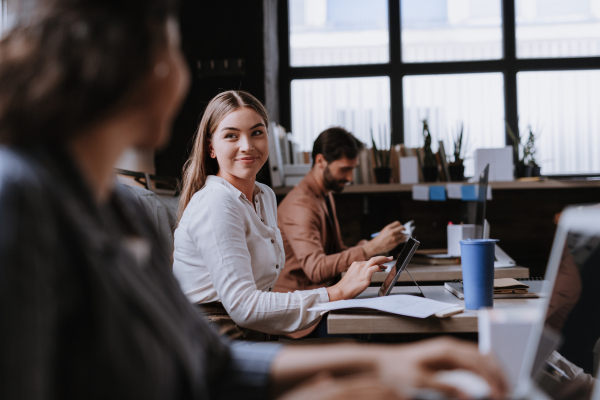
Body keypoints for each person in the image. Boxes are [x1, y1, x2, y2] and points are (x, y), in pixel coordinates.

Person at [0, 0, 508, 399]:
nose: (248, 147)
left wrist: (377, 363)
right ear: (143, 67)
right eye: (174, 48)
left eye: (257, 133)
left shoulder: (120, 209)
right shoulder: (20, 199)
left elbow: (208, 362)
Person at [172, 90, 390, 340]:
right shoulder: (216, 202)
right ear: (211, 148)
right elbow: (244, 307)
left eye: (257, 132)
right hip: (213, 339)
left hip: (258, 330)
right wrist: (336, 293)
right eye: (231, 135)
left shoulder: (264, 196)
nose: (247, 146)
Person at [274, 127, 408, 338]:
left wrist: (363, 250)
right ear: (320, 161)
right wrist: (369, 248)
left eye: (353, 169)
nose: (350, 177)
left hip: (323, 300)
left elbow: (333, 253)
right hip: (303, 315)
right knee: (382, 329)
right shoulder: (300, 204)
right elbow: (316, 268)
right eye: (345, 169)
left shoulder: (325, 195)